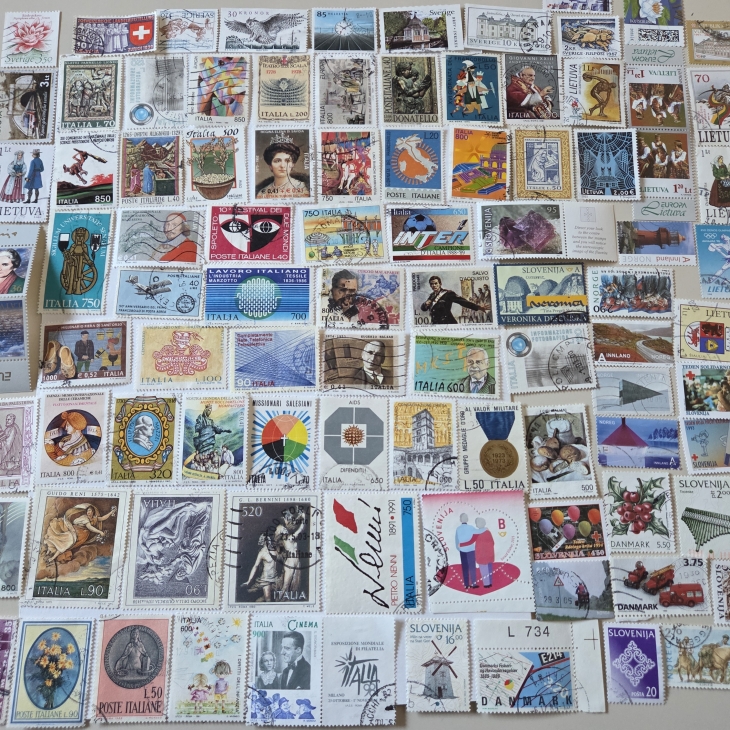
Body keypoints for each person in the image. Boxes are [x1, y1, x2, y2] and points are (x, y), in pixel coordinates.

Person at [41, 502, 117, 565]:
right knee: (64, 544)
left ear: (93, 512)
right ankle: (51, 558)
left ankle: (50, 556)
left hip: (80, 536)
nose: (88, 512)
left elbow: (103, 518)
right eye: (87, 511)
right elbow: (90, 527)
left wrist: (111, 512)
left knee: (63, 545)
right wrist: (100, 532)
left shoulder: (94, 518)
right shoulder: (85, 518)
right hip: (74, 533)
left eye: (90, 511)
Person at [420, 276, 488, 325]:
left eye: (436, 283)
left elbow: (463, 302)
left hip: (447, 323)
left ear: (440, 284)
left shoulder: (448, 293)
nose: (434, 285)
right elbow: (423, 309)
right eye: (432, 284)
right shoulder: (431, 295)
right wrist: (425, 304)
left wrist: (478, 307)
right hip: (436, 323)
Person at [458, 516, 494, 588]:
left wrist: (461, 544)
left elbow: (471, 541)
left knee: (483, 569)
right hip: (489, 554)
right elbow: (493, 542)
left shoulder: (477, 533)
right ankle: (490, 583)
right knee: (489, 568)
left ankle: (486, 584)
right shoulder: (488, 532)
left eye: (477, 523)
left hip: (481, 554)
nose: (476, 524)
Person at [245, 534, 280, 602]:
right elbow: (255, 566)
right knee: (268, 600)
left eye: (268, 539)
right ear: (263, 541)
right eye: (266, 540)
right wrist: (249, 580)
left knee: (275, 598)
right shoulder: (262, 553)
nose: (268, 541)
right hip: (266, 579)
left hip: (275, 577)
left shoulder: (274, 549)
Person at [455, 514, 478, 589]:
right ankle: (474, 584)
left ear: (460, 520)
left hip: (462, 551)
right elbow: (477, 534)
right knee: (472, 567)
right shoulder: (471, 527)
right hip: (471, 550)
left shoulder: (458, 529)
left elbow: (456, 541)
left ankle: (466, 585)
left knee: (465, 568)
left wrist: (460, 549)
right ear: (467, 519)